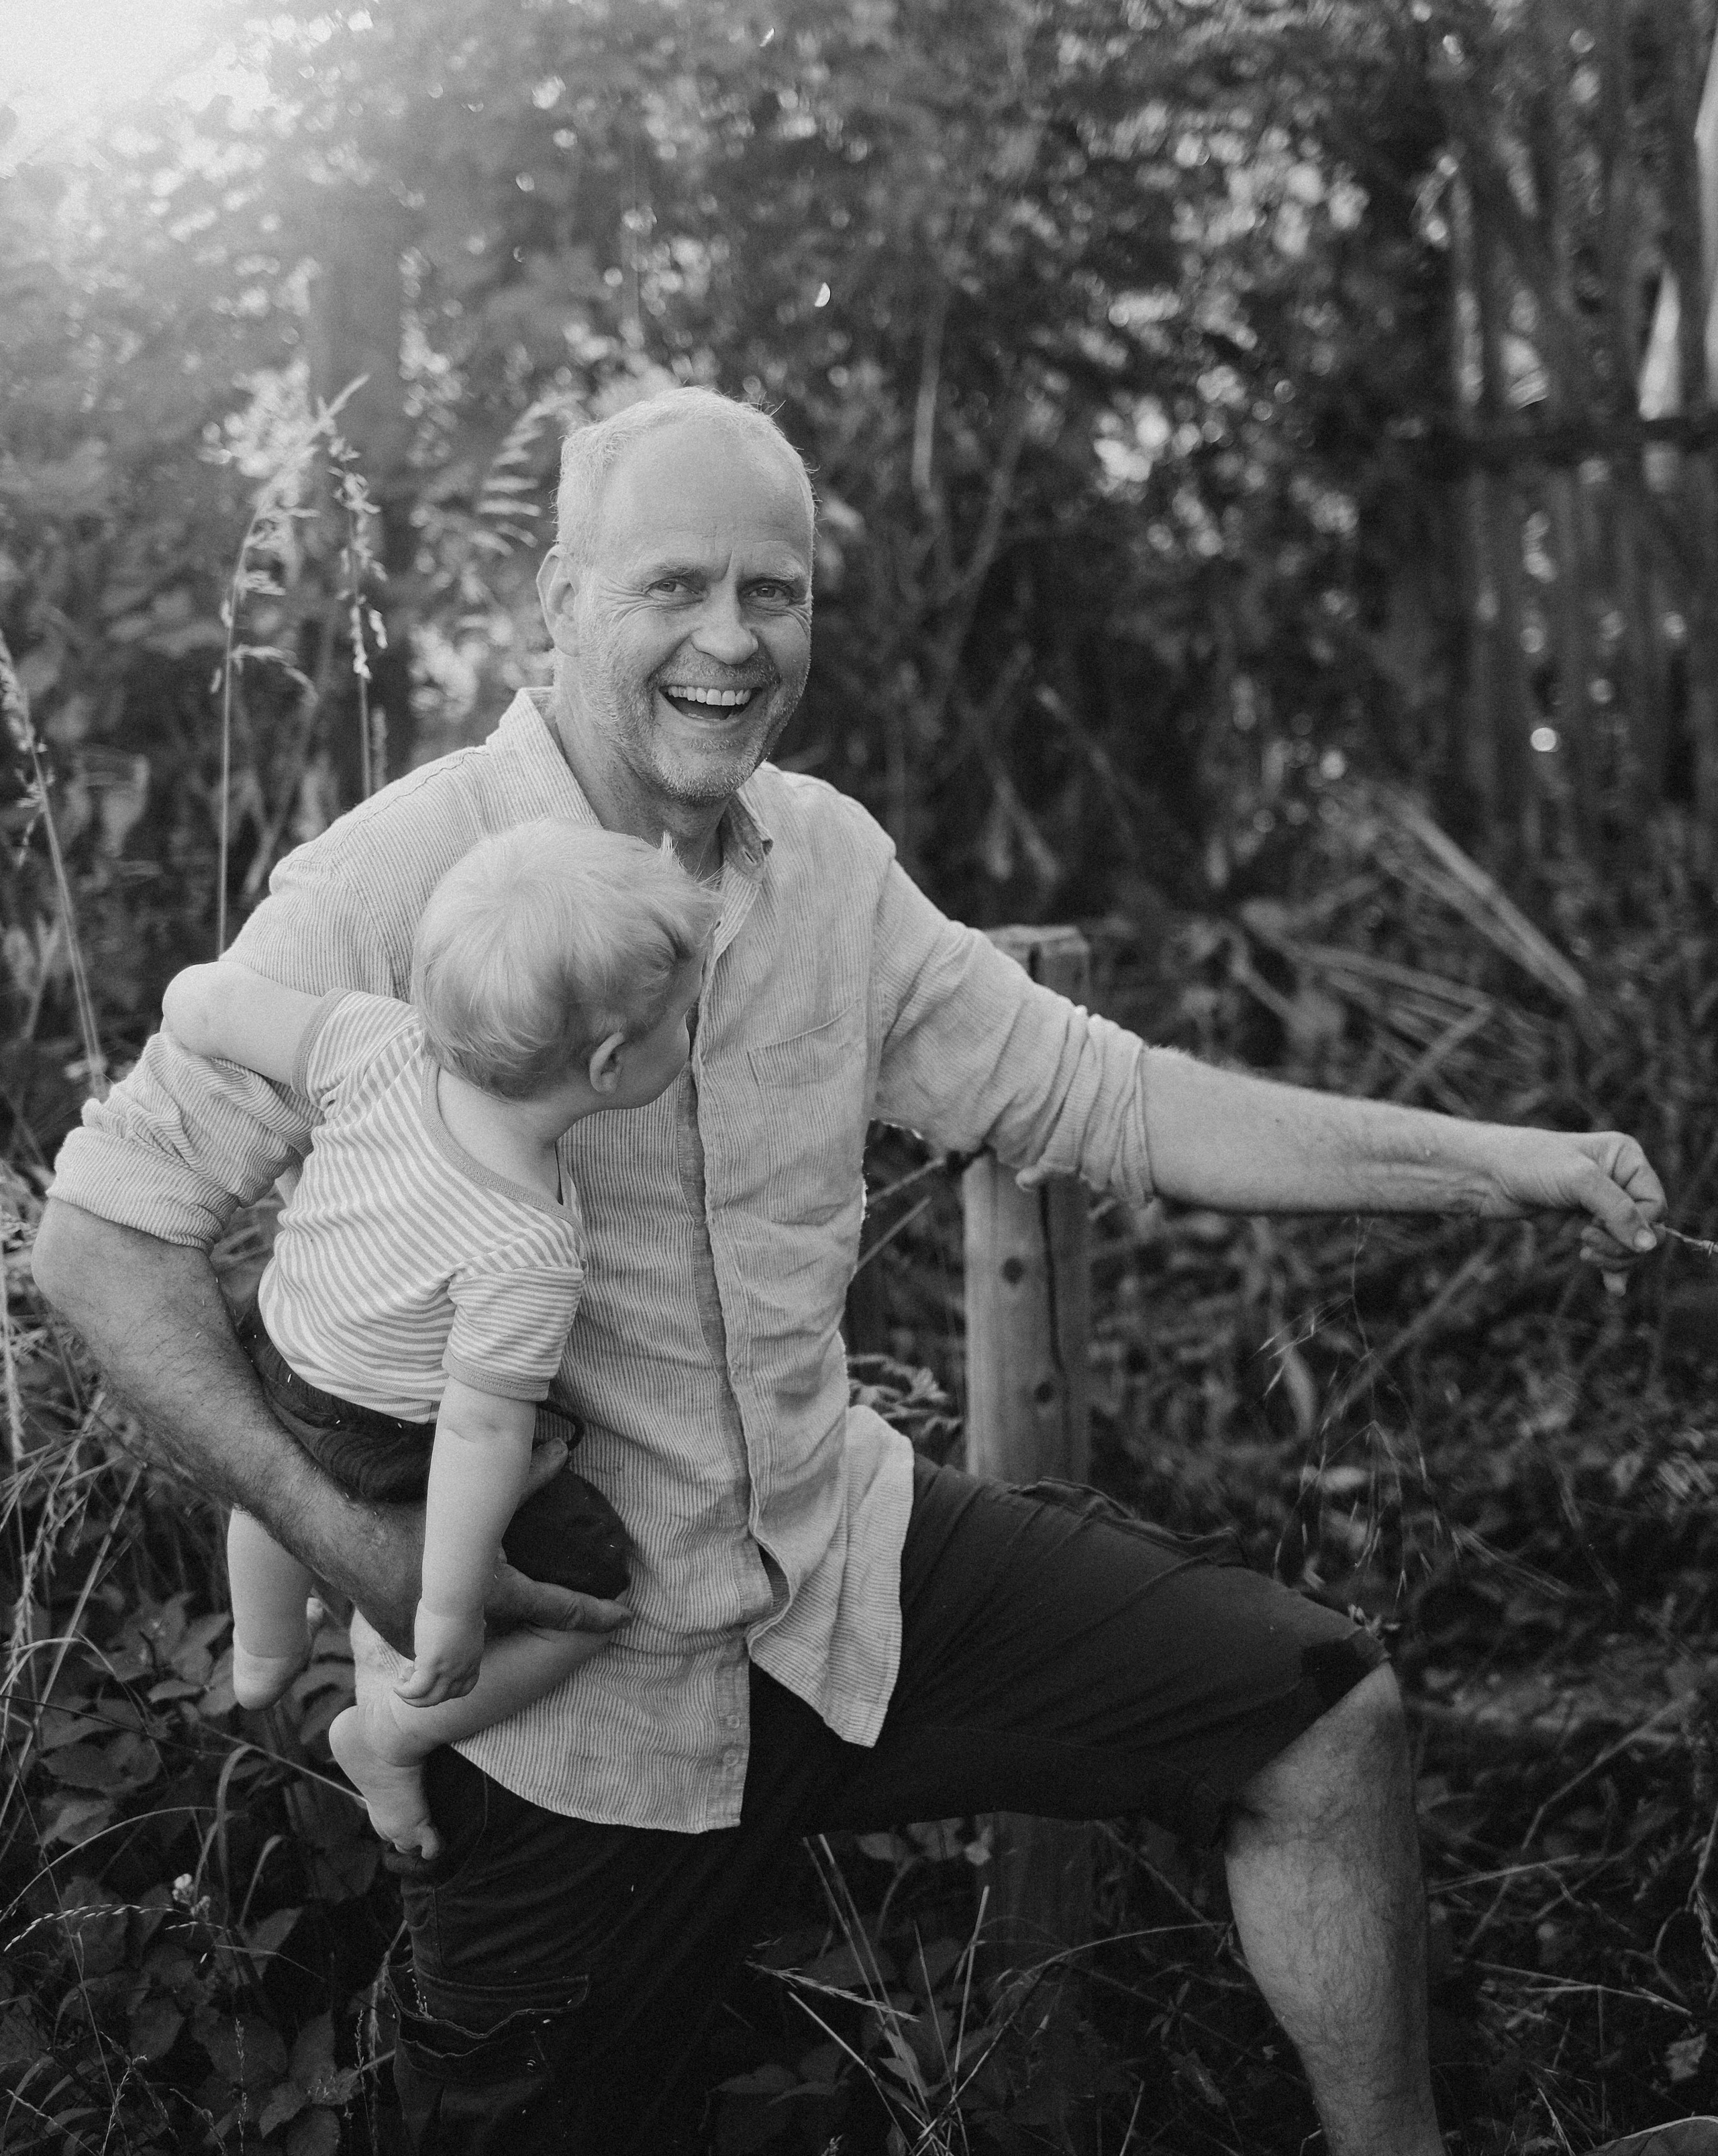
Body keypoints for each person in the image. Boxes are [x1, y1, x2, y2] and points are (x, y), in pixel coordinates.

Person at [33, 387, 1667, 2156]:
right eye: (676, 587)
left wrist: (1500, 1165)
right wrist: (346, 1533)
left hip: (843, 1585)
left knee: (1324, 1722)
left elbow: (1108, 1096)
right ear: (558, 604)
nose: (735, 640)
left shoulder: (827, 871)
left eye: (779, 591)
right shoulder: (404, 879)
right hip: (569, 1708)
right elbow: (101, 1235)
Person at [158, 817, 715, 1857]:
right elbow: (476, 1434)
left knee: (271, 1484)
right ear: (606, 1066)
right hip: (384, 1428)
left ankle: (263, 1652)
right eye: (684, 1017)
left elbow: (218, 1007)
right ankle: (388, 1737)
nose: (693, 1028)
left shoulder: (373, 1039)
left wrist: (187, 996)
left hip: (279, 1343)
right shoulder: (524, 1244)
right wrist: (451, 1609)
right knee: (587, 1597)